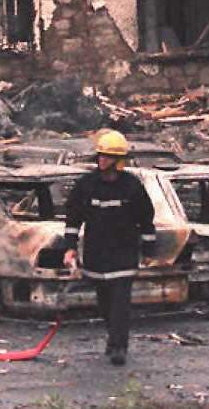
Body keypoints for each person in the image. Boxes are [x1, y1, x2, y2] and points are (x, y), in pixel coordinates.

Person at [61, 130, 156, 366]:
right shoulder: (86, 185)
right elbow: (73, 219)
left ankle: (118, 347)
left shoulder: (132, 187)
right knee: (104, 302)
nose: (101, 160)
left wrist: (149, 252)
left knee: (120, 302)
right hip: (96, 254)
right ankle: (112, 337)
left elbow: (146, 219)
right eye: (100, 155)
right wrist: (70, 248)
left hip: (124, 254)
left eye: (107, 156)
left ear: (119, 160)